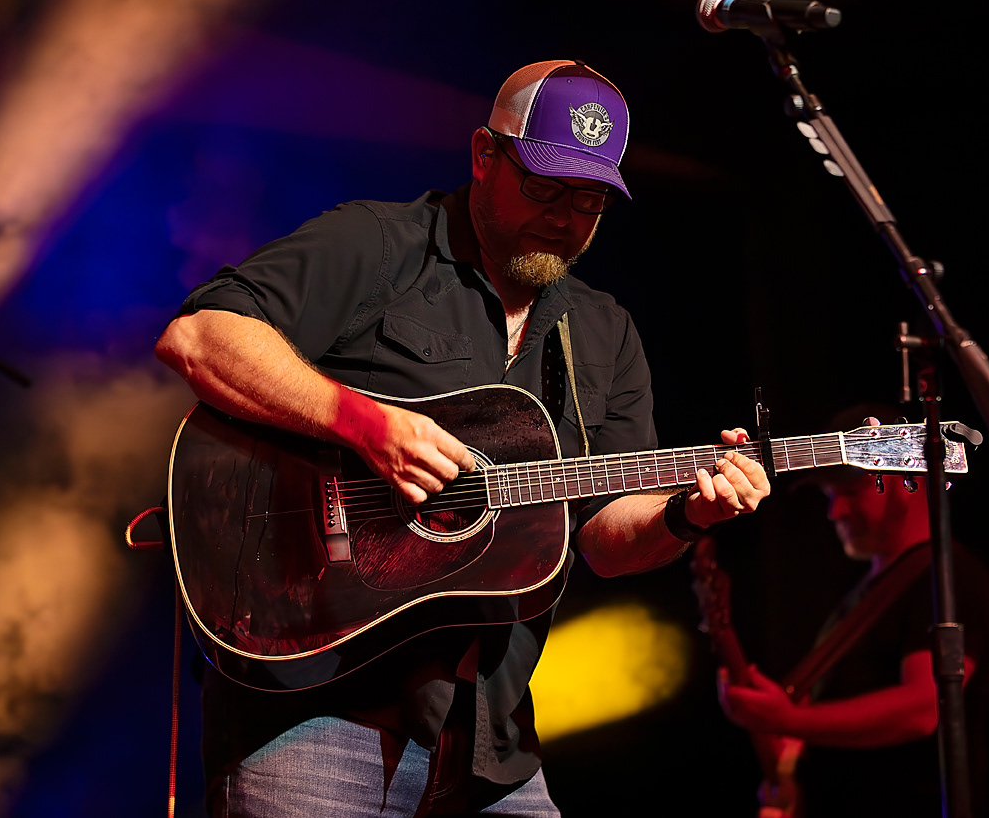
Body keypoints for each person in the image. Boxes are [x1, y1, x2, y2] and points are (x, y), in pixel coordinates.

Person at [156, 60, 769, 817]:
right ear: (484, 154)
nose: (564, 218)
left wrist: (688, 513)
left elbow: (605, 538)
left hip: (490, 742)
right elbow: (200, 338)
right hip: (312, 708)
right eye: (544, 188)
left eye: (589, 201)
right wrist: (368, 425)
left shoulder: (604, 331)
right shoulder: (379, 244)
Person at [717, 407, 989, 818]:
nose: (834, 513)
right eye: (832, 497)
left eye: (850, 493)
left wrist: (788, 720)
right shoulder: (859, 598)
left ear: (905, 478)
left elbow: (923, 709)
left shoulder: (950, 576)